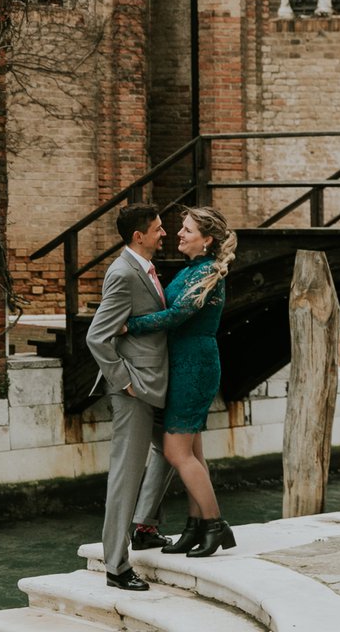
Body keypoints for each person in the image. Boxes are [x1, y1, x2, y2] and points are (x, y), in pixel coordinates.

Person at [124, 205, 237, 558]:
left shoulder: (206, 273)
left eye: (187, 230)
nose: (179, 234)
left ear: (207, 240)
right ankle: (194, 526)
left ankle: (215, 525)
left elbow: (177, 315)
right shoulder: (193, 270)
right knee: (193, 453)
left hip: (195, 366)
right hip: (185, 364)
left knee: (175, 451)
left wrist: (130, 325)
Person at [85, 204, 172, 592]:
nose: (164, 233)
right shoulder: (123, 273)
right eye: (158, 228)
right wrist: (124, 381)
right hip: (134, 390)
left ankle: (143, 525)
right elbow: (97, 336)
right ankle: (117, 567)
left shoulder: (144, 269)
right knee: (125, 475)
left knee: (174, 450)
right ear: (139, 236)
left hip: (155, 384)